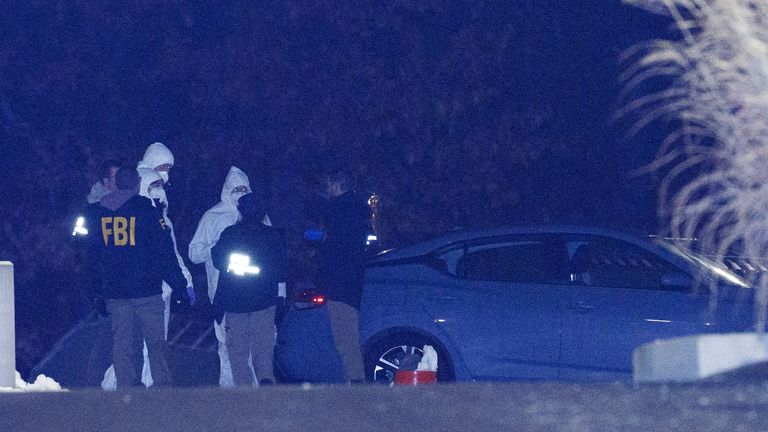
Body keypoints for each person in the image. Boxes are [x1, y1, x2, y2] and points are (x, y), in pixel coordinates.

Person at [91, 167, 189, 389]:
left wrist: (96, 290)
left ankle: (126, 385)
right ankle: (162, 383)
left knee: (121, 342)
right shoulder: (147, 212)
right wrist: (179, 285)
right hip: (146, 289)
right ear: (137, 185)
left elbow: (93, 255)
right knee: (156, 342)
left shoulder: (99, 213)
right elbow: (164, 252)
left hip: (115, 291)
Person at [188, 166, 275, 387]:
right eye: (236, 188)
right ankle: (231, 393)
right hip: (224, 293)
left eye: (244, 188)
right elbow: (194, 253)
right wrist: (218, 247)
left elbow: (273, 253)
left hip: (257, 293)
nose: (240, 192)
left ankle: (258, 394)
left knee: (259, 347)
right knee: (229, 347)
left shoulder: (259, 217)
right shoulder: (213, 217)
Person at [211, 192, 287, 386]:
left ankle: (244, 396)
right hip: (264, 303)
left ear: (241, 211)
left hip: (235, 303)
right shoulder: (273, 236)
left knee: (238, 354)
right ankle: (266, 384)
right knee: (263, 350)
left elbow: (218, 260)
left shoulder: (230, 234)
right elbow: (282, 269)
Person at [315, 170, 370, 382]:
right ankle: (352, 382)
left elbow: (333, 251)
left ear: (337, 186)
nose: (328, 190)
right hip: (351, 281)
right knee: (347, 338)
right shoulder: (358, 213)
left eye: (330, 185)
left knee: (345, 339)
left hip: (340, 284)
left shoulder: (339, 212)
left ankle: (356, 384)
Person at [136, 142, 196, 335]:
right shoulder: (135, 208)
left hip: (162, 288)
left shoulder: (160, 210)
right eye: (162, 168)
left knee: (154, 342)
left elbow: (171, 250)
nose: (166, 174)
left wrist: (185, 281)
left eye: (168, 170)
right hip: (142, 289)